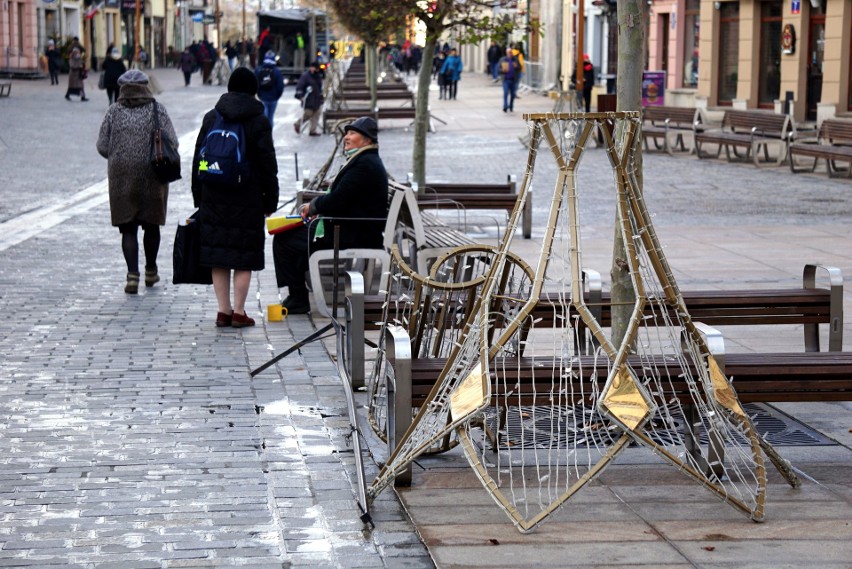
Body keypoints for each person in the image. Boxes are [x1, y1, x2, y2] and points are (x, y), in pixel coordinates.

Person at [191, 68, 279, 328]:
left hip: (213, 194)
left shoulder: (212, 117)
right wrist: (270, 201)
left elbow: (198, 158)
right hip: (247, 196)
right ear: (254, 90)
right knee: (243, 254)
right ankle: (240, 311)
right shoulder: (258, 120)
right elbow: (267, 164)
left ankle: (223, 311)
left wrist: (199, 197)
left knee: (218, 255)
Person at [273, 116, 388, 315]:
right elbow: (341, 197)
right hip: (348, 226)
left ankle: (298, 296)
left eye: (352, 133)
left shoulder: (364, 164)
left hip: (353, 232)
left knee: (285, 240)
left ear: (367, 140)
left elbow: (338, 200)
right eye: (347, 133)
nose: (347, 137)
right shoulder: (363, 159)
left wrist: (314, 206)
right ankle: (297, 295)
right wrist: (316, 208)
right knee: (291, 236)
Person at [96, 69, 177, 294]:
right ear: (146, 86)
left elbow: (102, 146)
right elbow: (173, 142)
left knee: (128, 228)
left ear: (122, 88)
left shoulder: (113, 111)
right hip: (153, 172)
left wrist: (121, 153)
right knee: (151, 224)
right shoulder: (157, 110)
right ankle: (151, 271)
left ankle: (132, 276)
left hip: (122, 175)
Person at [255, 50, 285, 128]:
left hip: (262, 98)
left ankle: (263, 136)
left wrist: (258, 94)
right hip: (273, 98)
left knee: (263, 118)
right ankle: (268, 136)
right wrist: (277, 96)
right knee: (270, 118)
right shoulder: (277, 71)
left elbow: (255, 83)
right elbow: (280, 86)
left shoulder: (258, 70)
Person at [293, 61, 323, 136]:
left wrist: (321, 96)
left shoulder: (318, 76)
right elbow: (300, 86)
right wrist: (300, 96)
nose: (314, 69)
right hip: (308, 99)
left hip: (316, 98)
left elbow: (319, 87)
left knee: (316, 114)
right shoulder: (305, 76)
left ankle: (312, 130)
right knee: (308, 114)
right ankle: (298, 124)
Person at [498, 47, 521, 112]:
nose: (510, 54)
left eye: (511, 52)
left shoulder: (515, 59)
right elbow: (498, 70)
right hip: (506, 79)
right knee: (505, 93)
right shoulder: (503, 60)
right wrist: (502, 70)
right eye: (508, 52)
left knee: (512, 94)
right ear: (506, 53)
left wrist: (517, 66)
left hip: (513, 80)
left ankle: (511, 106)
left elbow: (520, 67)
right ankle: (505, 106)